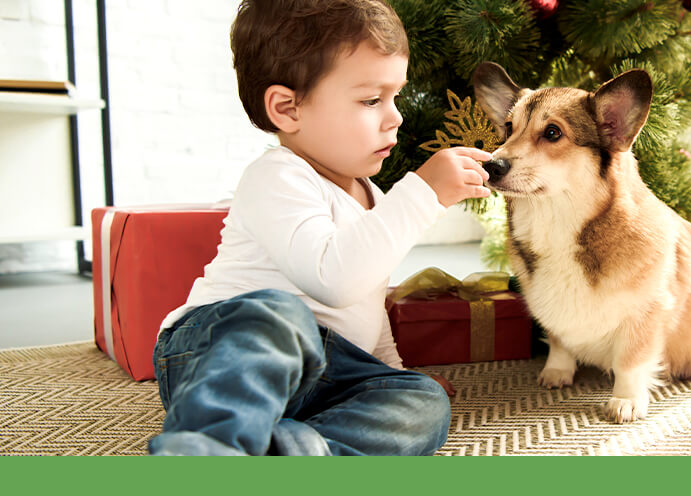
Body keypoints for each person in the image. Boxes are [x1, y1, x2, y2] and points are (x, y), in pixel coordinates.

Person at [148, 0, 491, 456]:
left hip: (329, 373)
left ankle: (296, 451)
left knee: (422, 402)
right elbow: (335, 279)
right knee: (278, 316)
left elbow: (369, 298)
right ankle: (209, 444)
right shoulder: (276, 176)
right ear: (288, 109)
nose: (396, 117)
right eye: (371, 100)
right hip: (222, 354)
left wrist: (391, 370)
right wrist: (424, 192)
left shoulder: (374, 197)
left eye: (396, 97)